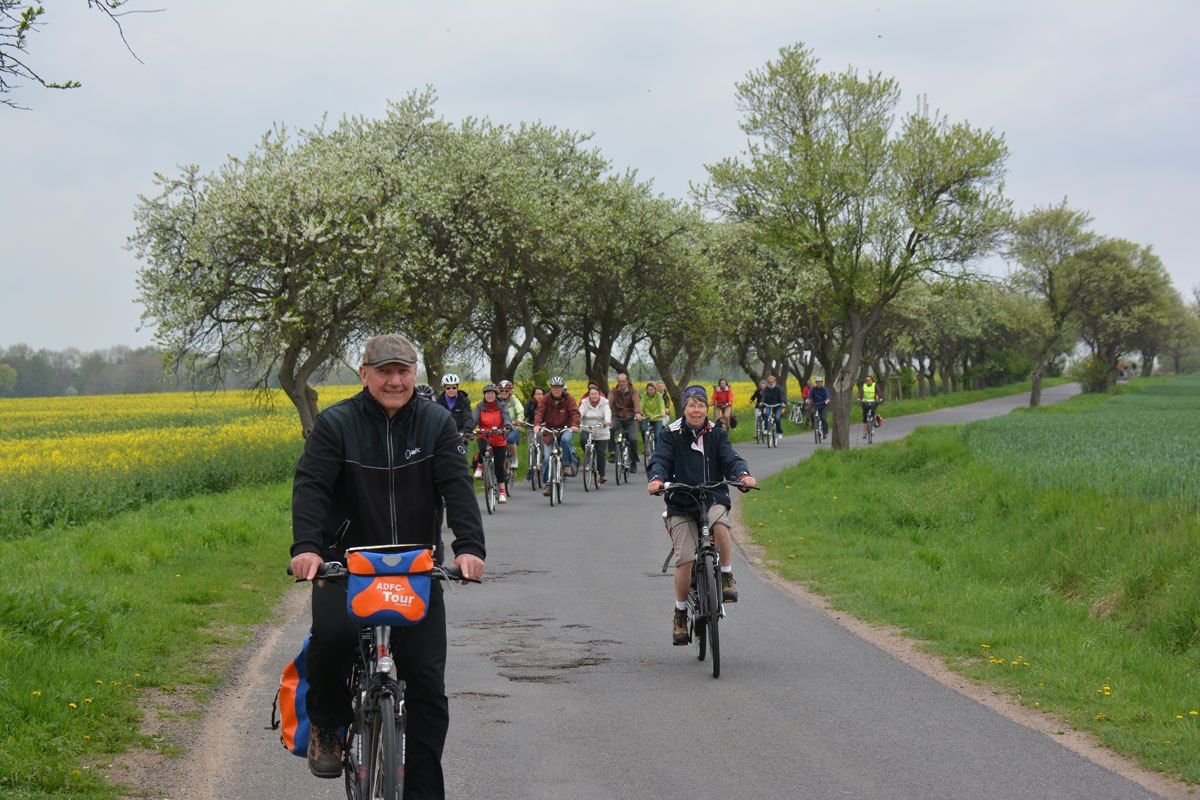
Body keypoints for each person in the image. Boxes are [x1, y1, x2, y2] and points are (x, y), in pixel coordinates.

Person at [290, 333, 485, 794]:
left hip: (415, 570)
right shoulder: (336, 424)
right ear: (365, 374)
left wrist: (469, 547)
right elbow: (311, 487)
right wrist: (308, 548)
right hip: (348, 566)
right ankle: (328, 725)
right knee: (332, 639)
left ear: (414, 373)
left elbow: (457, 488)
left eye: (403, 371)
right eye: (385, 371)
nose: (395, 380)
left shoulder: (437, 423)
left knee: (427, 686)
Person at [646, 385, 757, 644]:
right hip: (682, 500)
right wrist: (656, 480)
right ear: (683, 408)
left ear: (707, 408)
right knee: (685, 558)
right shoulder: (670, 434)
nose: (696, 410)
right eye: (691, 405)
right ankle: (680, 614)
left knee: (720, 525)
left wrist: (742, 476)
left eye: (700, 405)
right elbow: (660, 460)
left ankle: (727, 576)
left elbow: (731, 459)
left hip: (713, 495)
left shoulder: (716, 433)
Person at [533, 376, 581, 495]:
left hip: (566, 428)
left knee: (565, 440)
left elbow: (575, 412)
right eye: (554, 387)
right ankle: (548, 484)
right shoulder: (545, 399)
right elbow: (539, 412)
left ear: (563, 388)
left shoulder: (569, 399)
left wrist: (575, 425)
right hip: (550, 430)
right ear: (551, 388)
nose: (557, 390)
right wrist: (537, 425)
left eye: (559, 387)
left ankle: (566, 465)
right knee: (547, 458)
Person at [472, 383, 513, 503]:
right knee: (483, 449)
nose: (490, 395)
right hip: (483, 434)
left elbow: (506, 418)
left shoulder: (502, 405)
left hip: (499, 437)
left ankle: (501, 491)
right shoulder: (479, 406)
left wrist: (507, 426)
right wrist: (469, 430)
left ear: (496, 395)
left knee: (500, 466)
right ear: (484, 395)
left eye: (492, 393)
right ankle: (480, 465)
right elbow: (474, 419)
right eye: (487, 393)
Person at [577, 384, 612, 483]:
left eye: (596, 394)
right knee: (583, 440)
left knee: (601, 452)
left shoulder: (605, 402)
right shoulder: (584, 402)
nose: (594, 396)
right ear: (589, 395)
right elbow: (580, 412)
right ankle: (588, 455)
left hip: (601, 430)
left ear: (599, 394)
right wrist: (577, 420)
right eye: (592, 394)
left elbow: (607, 412)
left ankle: (602, 475)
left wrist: (607, 420)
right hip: (588, 429)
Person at [609, 372, 642, 472]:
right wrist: (606, 416)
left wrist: (637, 413)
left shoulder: (633, 391)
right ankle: (613, 452)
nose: (622, 383)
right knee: (609, 429)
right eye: (620, 381)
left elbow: (636, 402)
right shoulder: (613, 391)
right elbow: (608, 403)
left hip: (630, 418)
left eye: (623, 381)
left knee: (633, 439)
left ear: (627, 381)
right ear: (617, 382)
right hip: (617, 417)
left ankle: (634, 461)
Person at [497, 380, 522, 475]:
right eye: (502, 390)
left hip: (514, 426)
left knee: (510, 439)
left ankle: (515, 459)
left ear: (510, 392)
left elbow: (520, 411)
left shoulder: (514, 400)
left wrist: (519, 420)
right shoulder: (496, 400)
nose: (504, 393)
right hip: (500, 427)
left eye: (506, 391)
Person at [641, 381, 669, 448]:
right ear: (646, 390)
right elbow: (641, 404)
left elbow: (661, 404)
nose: (650, 391)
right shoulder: (644, 395)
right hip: (647, 417)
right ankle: (645, 445)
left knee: (657, 435)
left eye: (652, 389)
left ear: (655, 389)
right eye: (649, 390)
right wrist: (639, 412)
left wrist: (662, 412)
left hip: (657, 418)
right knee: (643, 429)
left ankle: (657, 449)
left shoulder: (658, 396)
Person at [858, 374, 883, 440]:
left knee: (873, 411)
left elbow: (879, 392)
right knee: (865, 418)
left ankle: (874, 422)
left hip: (873, 401)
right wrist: (859, 398)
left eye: (869, 380)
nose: (868, 381)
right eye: (867, 380)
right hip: (865, 402)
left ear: (872, 380)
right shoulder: (864, 386)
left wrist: (880, 398)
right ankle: (865, 433)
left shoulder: (875, 385)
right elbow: (861, 393)